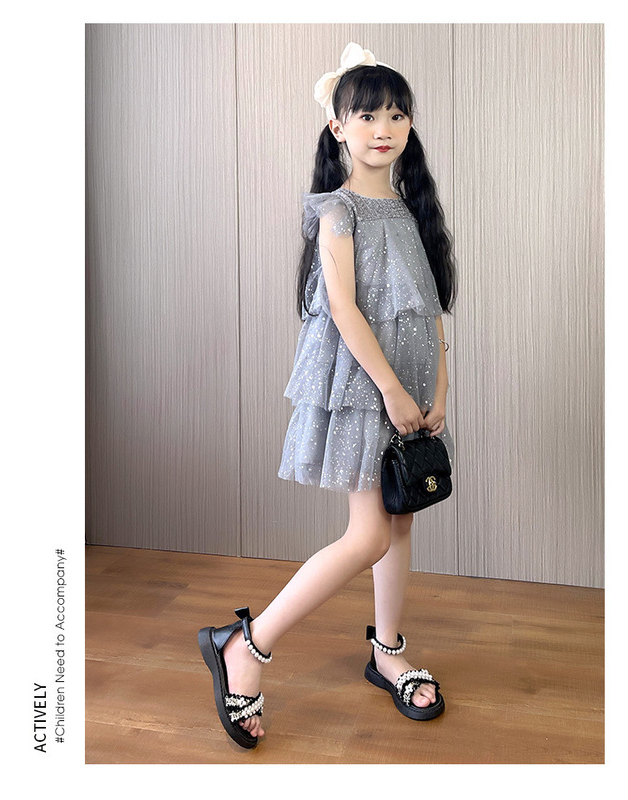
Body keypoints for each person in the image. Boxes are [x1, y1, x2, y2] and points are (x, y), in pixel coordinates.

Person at [198, 41, 458, 749]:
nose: (384, 127)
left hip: (411, 387)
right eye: (367, 115)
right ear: (338, 126)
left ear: (410, 124)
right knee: (369, 532)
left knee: (400, 520)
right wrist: (393, 390)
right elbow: (344, 309)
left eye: (396, 114)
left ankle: (388, 650)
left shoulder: (411, 210)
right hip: (366, 387)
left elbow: (431, 311)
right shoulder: (338, 211)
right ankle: (246, 645)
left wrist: (439, 388)